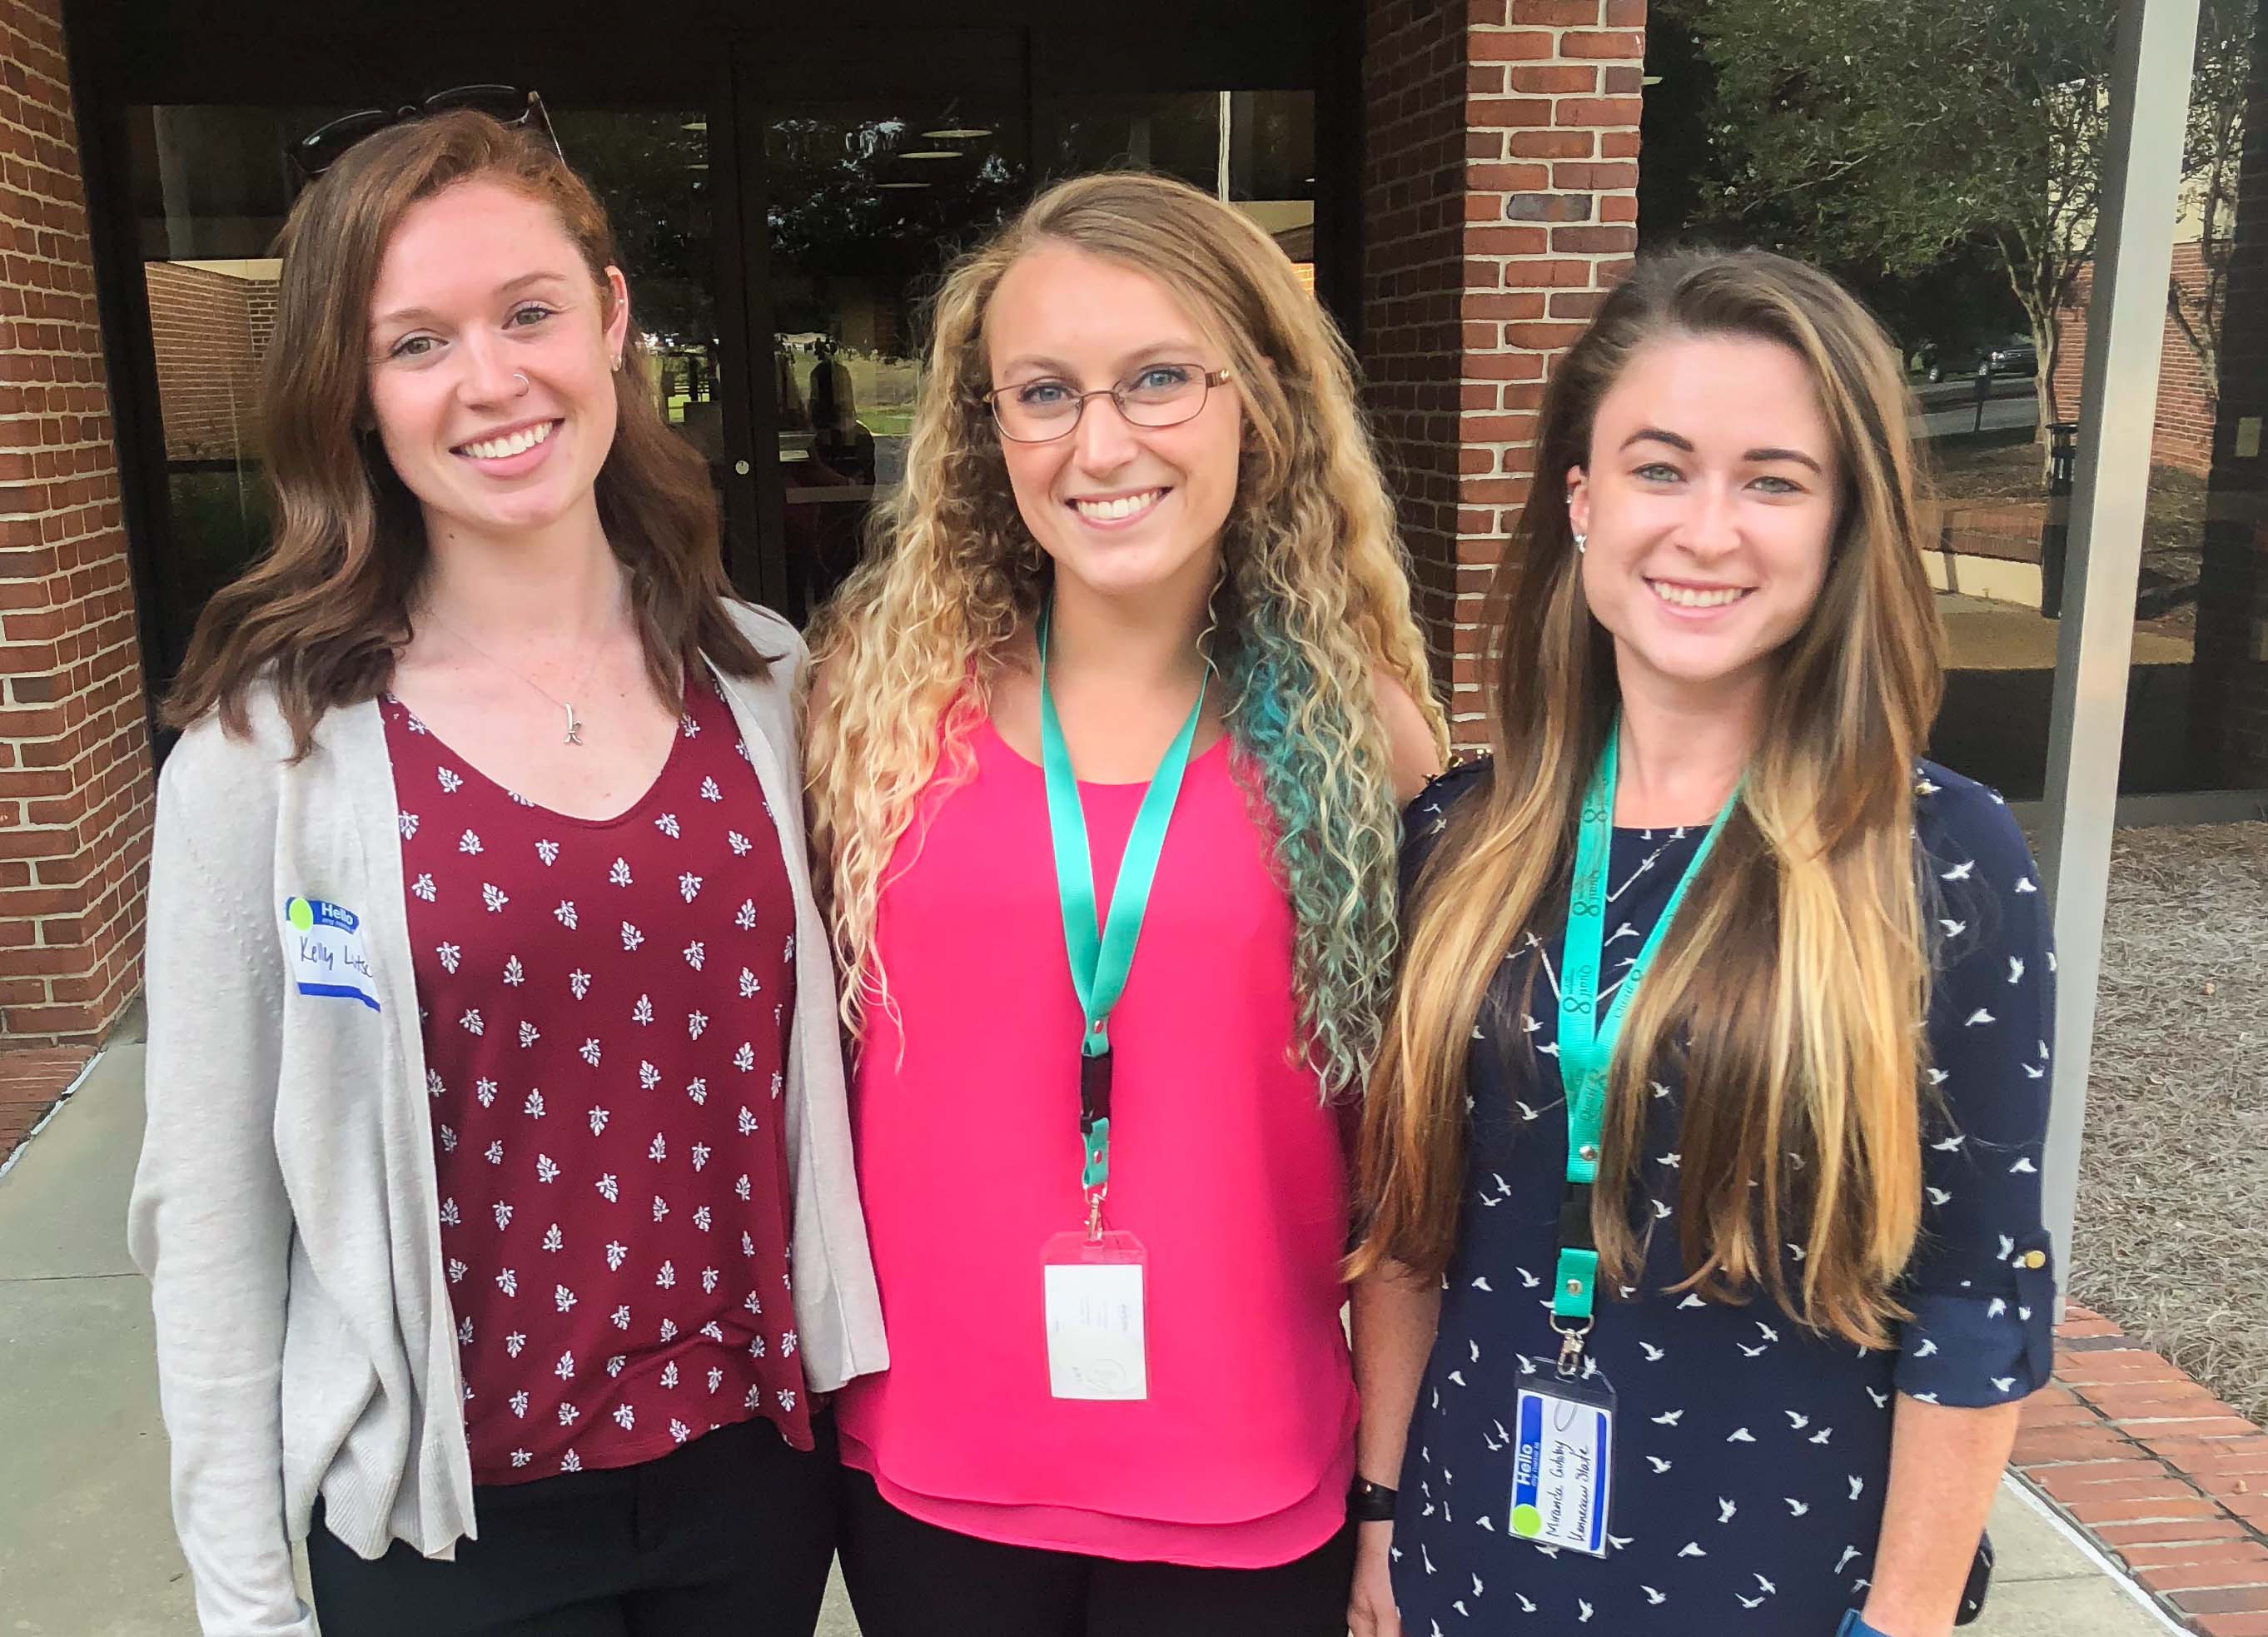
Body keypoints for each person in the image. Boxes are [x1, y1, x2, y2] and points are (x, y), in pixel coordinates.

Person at [127, 107, 884, 1637]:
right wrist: (245, 1601)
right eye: (416, 342)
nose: (491, 380)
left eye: (528, 312)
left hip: (752, 1478)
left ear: (611, 322)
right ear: (355, 390)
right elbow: (209, 1217)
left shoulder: (770, 685)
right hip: (446, 1523)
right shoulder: (269, 762)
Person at [1346, 249, 2056, 1637]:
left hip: (1779, 1585)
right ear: (1583, 497)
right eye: (1660, 468)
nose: (1707, 530)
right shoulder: (1461, 837)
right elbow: (1414, 1235)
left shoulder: (1933, 858)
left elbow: (1976, 1302)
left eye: (1774, 480)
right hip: (1468, 1562)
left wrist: (1896, 1624)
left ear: (1844, 522)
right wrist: (1378, 1524)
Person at [802, 170, 1447, 1637]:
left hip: (1253, 1476)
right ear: (991, 431)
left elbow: (1411, 1175)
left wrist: (1394, 1499)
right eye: (1043, 392)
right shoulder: (872, 711)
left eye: (1158, 378)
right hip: (930, 1474)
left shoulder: (1369, 739)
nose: (1100, 444)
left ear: (1258, 403)